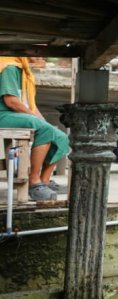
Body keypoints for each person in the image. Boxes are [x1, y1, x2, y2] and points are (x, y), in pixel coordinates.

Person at [0, 57, 70, 201]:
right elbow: (11, 101)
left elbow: (30, 105)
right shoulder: (9, 66)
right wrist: (41, 124)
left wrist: (45, 123)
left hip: (14, 115)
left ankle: (44, 182)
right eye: (37, 51)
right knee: (45, 129)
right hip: (3, 114)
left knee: (60, 137)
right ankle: (34, 181)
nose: (41, 57)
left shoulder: (24, 70)